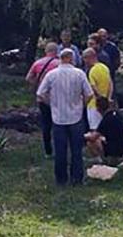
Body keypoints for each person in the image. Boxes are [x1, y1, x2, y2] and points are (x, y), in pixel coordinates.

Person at [36, 49, 94, 186]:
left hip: (58, 118)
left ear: (61, 58)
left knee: (60, 151)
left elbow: (40, 94)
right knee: (76, 150)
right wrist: (82, 105)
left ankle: (61, 179)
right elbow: (89, 94)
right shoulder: (79, 74)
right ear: (71, 58)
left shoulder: (51, 75)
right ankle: (77, 178)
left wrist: (51, 104)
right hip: (76, 116)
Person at [26, 42, 62, 157]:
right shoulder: (59, 64)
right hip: (57, 97)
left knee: (46, 124)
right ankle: (60, 147)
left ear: (46, 51)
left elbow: (28, 78)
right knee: (58, 123)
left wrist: (37, 85)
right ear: (56, 52)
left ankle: (48, 151)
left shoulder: (38, 63)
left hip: (42, 97)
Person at [83, 47, 113, 132]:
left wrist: (100, 98)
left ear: (90, 57)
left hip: (94, 104)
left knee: (94, 129)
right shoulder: (105, 67)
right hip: (106, 103)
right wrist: (108, 98)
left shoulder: (92, 71)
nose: (84, 61)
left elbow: (93, 87)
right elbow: (111, 83)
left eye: (85, 58)